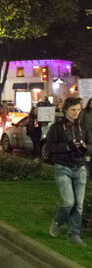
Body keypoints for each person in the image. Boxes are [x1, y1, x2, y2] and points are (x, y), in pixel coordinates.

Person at [46, 97, 87, 246]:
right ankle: (57, 222)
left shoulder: (82, 126)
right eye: (73, 110)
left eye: (78, 110)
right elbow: (49, 148)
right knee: (68, 202)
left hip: (80, 167)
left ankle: (73, 235)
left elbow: (89, 143)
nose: (76, 113)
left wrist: (84, 148)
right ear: (65, 110)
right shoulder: (57, 127)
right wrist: (68, 146)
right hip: (63, 167)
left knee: (79, 205)